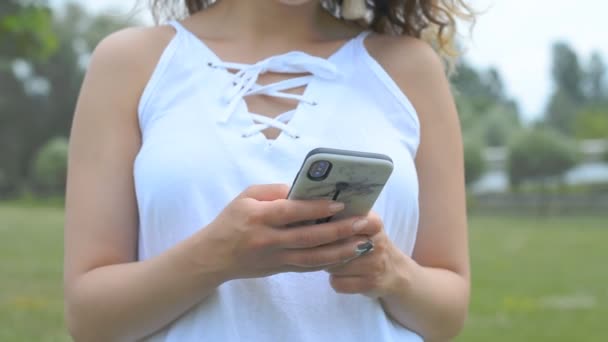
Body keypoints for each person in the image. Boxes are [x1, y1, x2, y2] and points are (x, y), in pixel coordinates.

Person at [63, 0, 473, 341]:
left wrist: (391, 271)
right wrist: (216, 257)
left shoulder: (409, 68)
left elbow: (447, 313)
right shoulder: (129, 63)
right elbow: (90, 319)